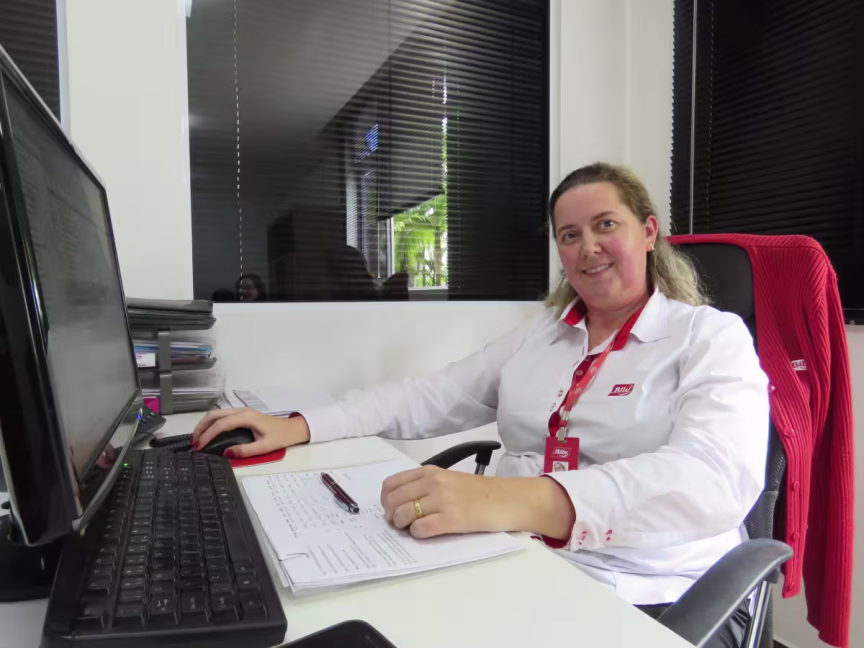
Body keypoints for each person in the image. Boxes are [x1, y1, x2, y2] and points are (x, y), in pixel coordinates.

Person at [193, 163, 768, 647]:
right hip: (517, 554)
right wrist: (300, 425)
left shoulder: (708, 337)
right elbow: (433, 394)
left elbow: (715, 478)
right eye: (569, 235)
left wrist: (509, 499)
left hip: (644, 588)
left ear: (648, 232)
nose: (587, 247)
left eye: (605, 224)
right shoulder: (543, 334)